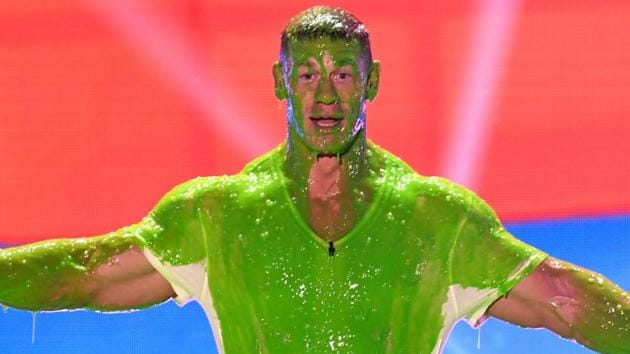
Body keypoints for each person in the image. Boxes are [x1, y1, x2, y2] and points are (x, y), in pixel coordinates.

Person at [0, 6, 628, 354]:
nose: (325, 96)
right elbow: (79, 275)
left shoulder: (436, 221)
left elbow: (566, 303)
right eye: (306, 75)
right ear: (280, 83)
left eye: (345, 76)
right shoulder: (219, 217)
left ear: (372, 82)